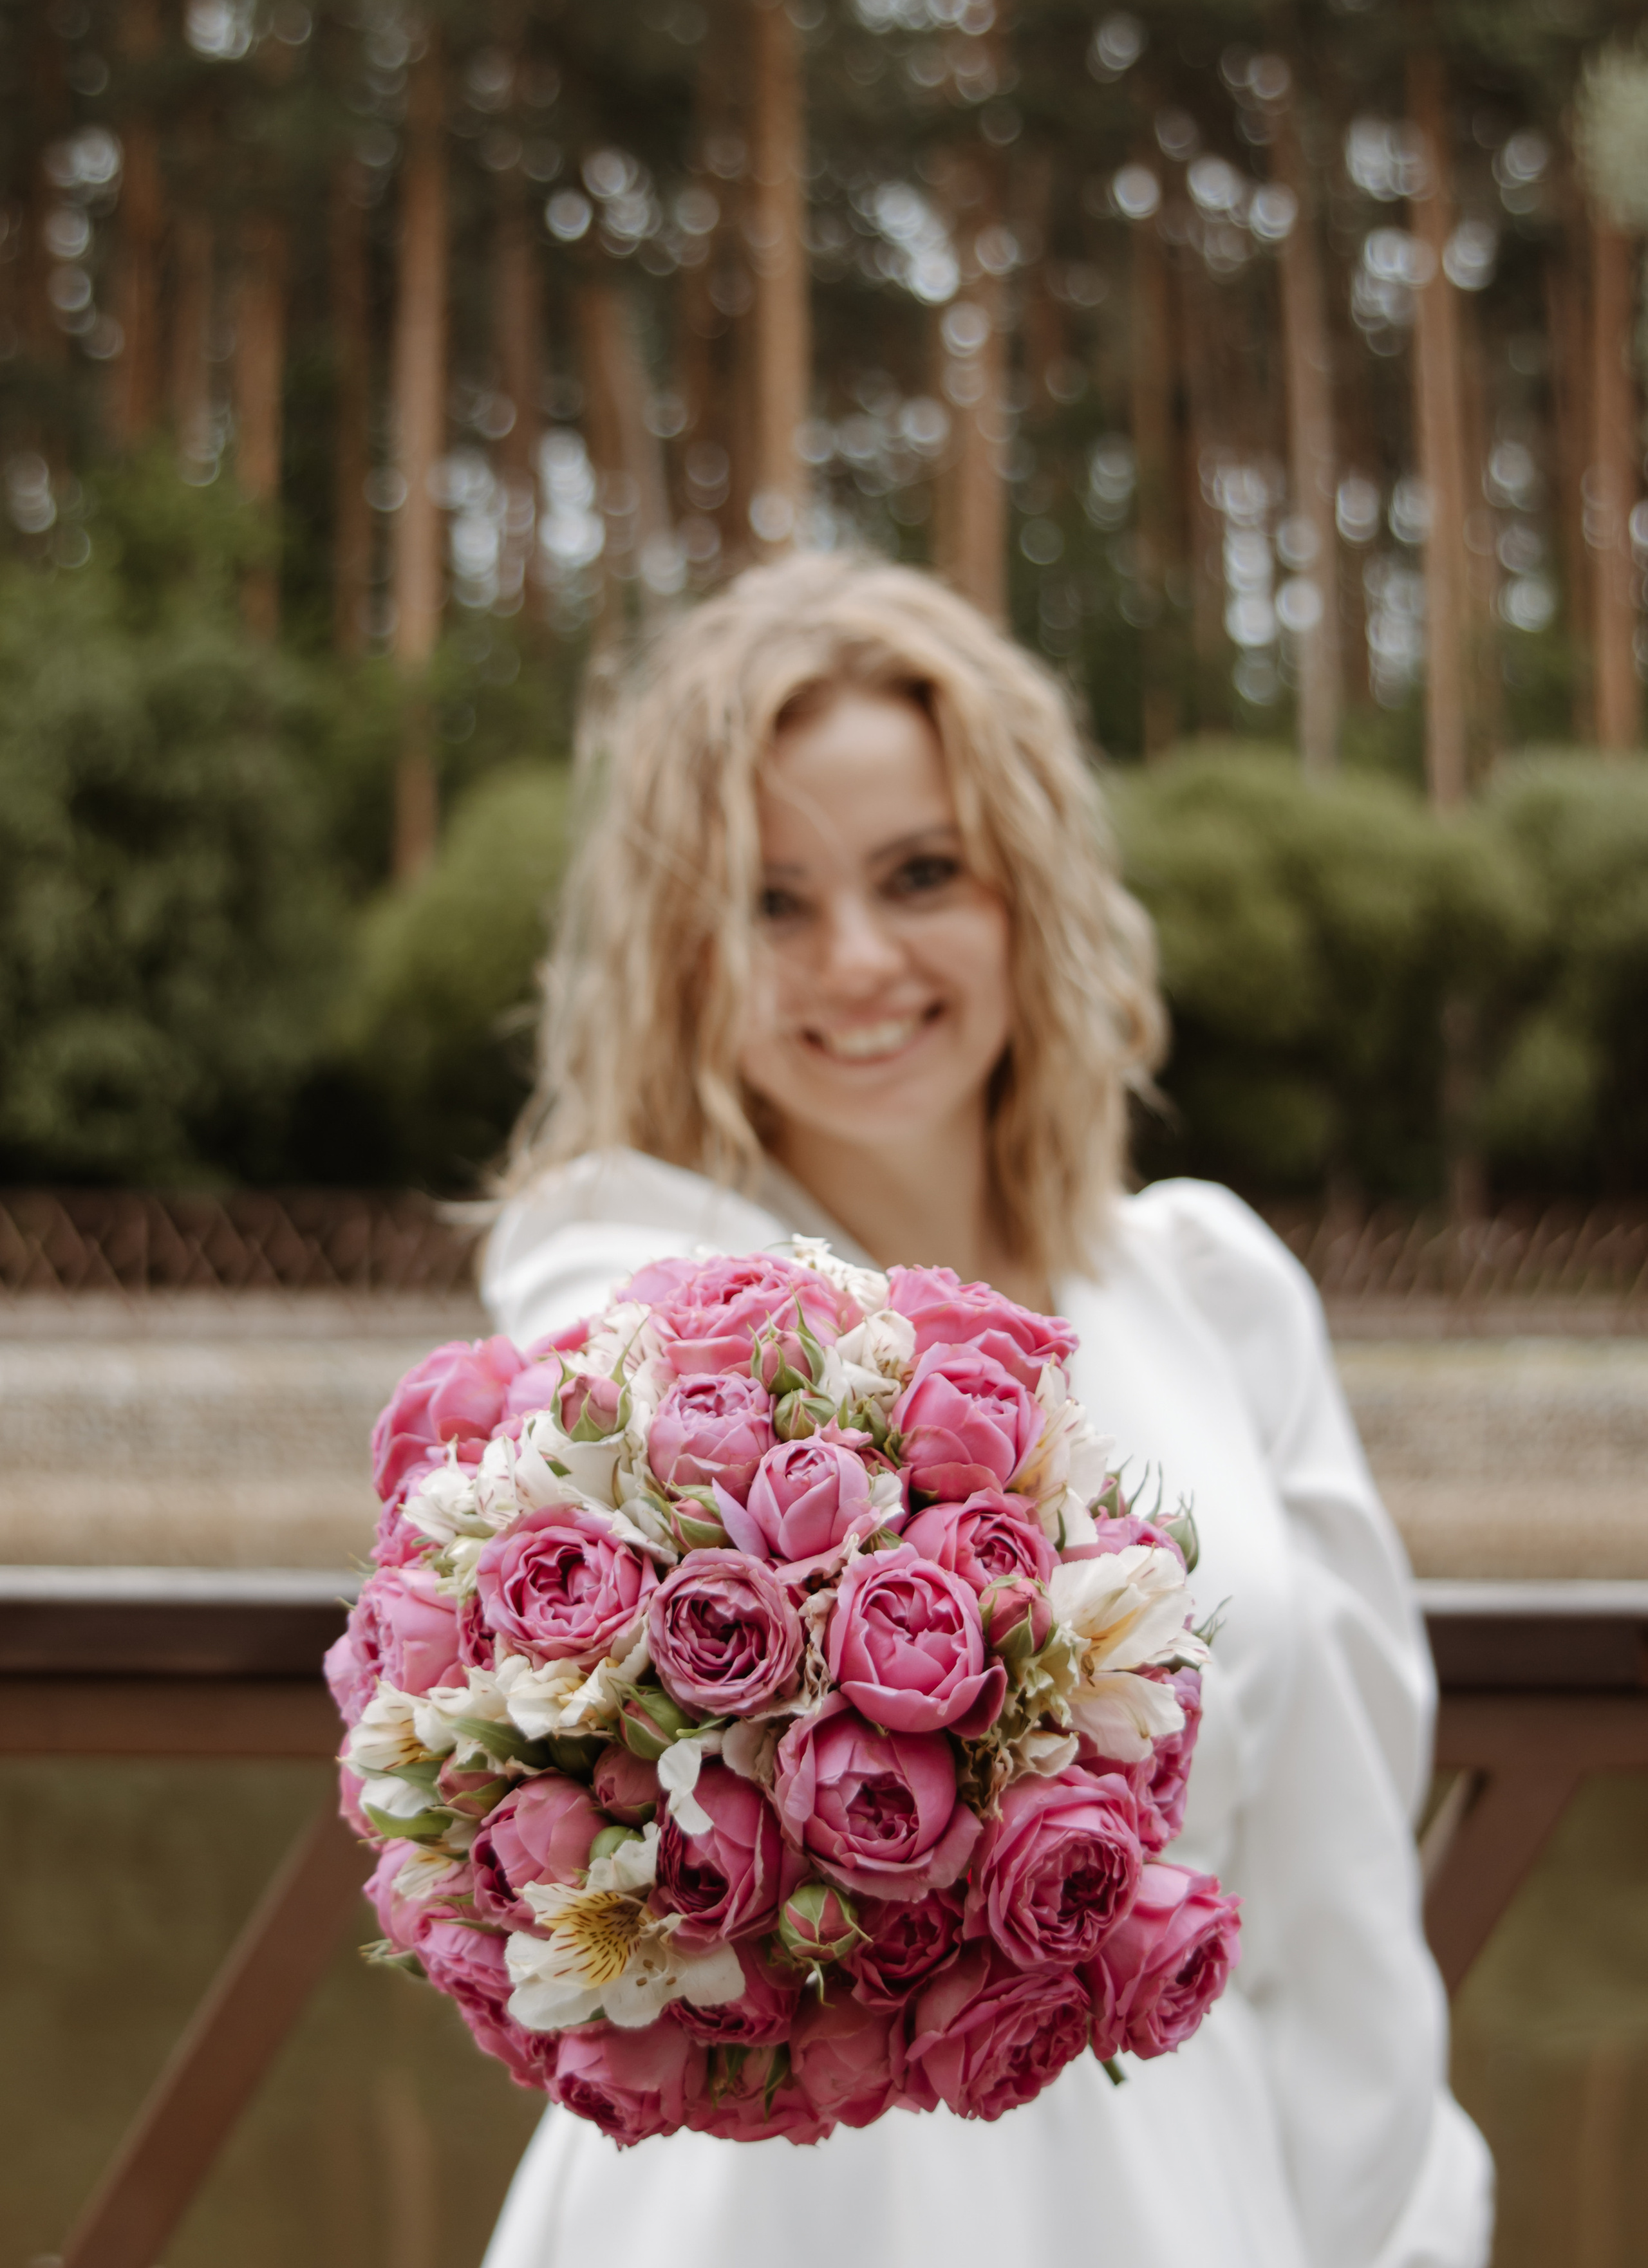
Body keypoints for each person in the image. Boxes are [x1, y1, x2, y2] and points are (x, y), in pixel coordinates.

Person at [478, 553, 1494, 2268]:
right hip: (768, 2199)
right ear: (682, 950)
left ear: (1025, 891)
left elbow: (1338, 1851)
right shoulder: (619, 1277)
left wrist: (1365, 2201)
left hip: (1179, 2172)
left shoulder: (1211, 1293)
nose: (856, 959)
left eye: (919, 874)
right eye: (771, 900)